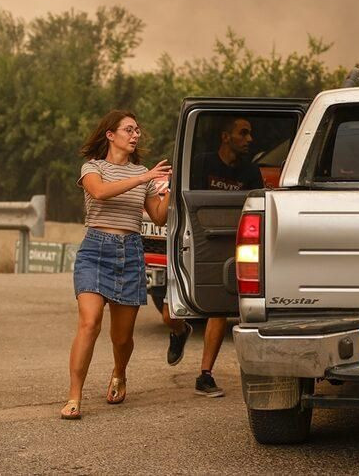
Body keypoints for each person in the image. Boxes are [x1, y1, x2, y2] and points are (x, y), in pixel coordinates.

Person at [61, 110, 171, 420]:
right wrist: (143, 178)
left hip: (130, 253)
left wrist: (168, 191)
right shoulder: (93, 168)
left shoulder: (145, 174)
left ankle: (119, 373)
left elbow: (159, 217)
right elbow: (99, 192)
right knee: (89, 323)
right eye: (129, 130)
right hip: (95, 250)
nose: (136, 135)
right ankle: (74, 396)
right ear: (110, 135)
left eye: (138, 130)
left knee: (122, 337)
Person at [163, 115, 261, 398]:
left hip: (228, 241)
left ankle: (205, 375)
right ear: (225, 137)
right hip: (195, 239)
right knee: (169, 314)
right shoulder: (202, 163)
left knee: (218, 306)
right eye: (243, 133)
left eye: (250, 133)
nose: (249, 139)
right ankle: (180, 331)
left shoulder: (250, 172)